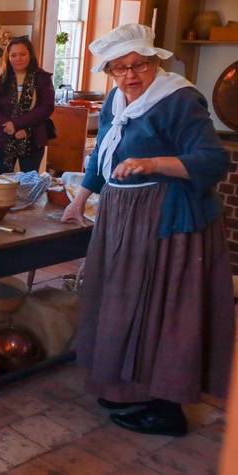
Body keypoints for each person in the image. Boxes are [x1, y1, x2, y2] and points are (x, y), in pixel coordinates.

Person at [62, 23, 233, 438]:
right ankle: (129, 386)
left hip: (169, 219)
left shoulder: (178, 100)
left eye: (138, 64)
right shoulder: (117, 100)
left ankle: (166, 409)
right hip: (123, 213)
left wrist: (154, 164)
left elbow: (212, 160)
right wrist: (81, 197)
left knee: (163, 309)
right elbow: (104, 147)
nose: (130, 75)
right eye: (119, 68)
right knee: (123, 302)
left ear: (155, 61)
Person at [0, 36, 55, 174]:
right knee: (4, 182)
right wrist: (11, 127)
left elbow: (46, 108)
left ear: (30, 55)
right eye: (14, 55)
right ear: (8, 57)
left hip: (33, 138)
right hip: (4, 138)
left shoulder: (42, 78)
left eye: (23, 54)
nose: (18, 59)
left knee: (28, 183)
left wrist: (16, 124)